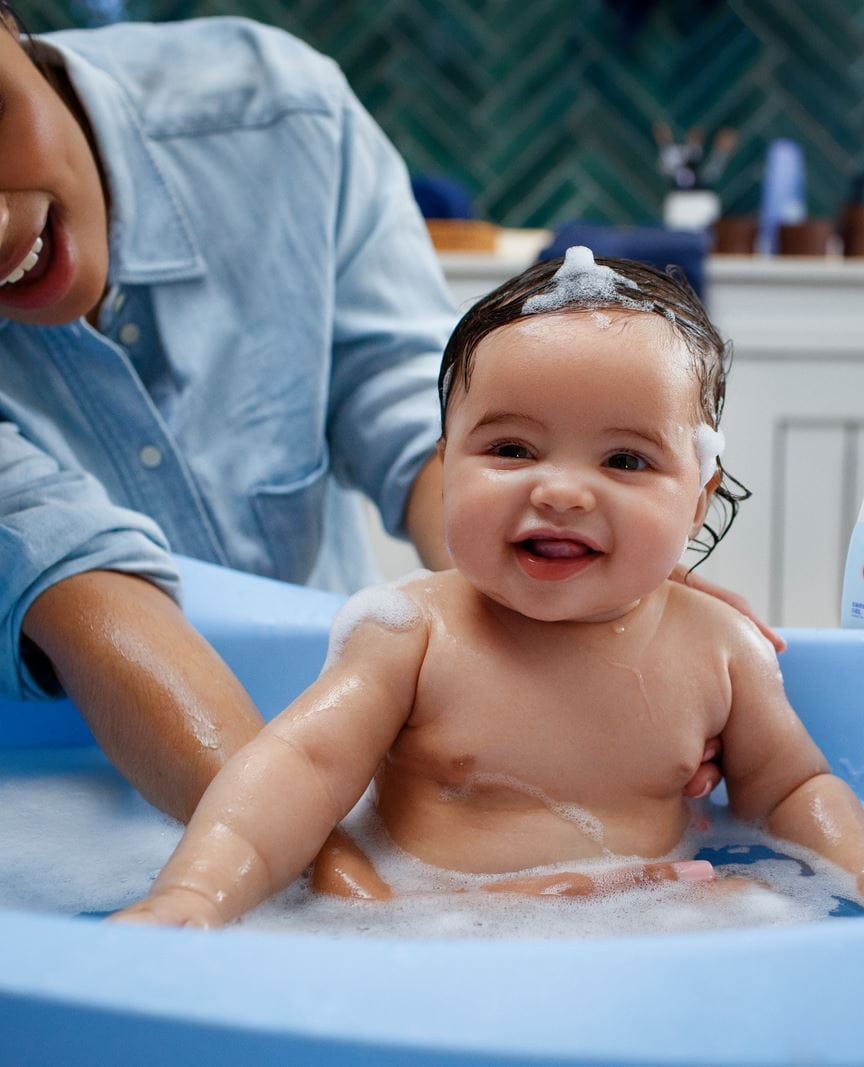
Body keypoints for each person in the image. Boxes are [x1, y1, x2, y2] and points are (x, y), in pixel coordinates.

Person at [0, 11, 745, 823]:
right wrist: (320, 875)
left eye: (626, 459)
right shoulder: (398, 644)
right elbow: (64, 567)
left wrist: (585, 603)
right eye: (517, 453)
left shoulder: (276, 117)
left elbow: (415, 410)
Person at [114, 249, 864, 928]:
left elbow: (791, 790)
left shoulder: (722, 649)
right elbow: (298, 772)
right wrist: (198, 893)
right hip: (435, 933)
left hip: (650, 926)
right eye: (512, 449)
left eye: (626, 461)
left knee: (741, 905)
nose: (561, 490)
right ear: (447, 466)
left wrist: (851, 867)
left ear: (699, 499)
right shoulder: (414, 634)